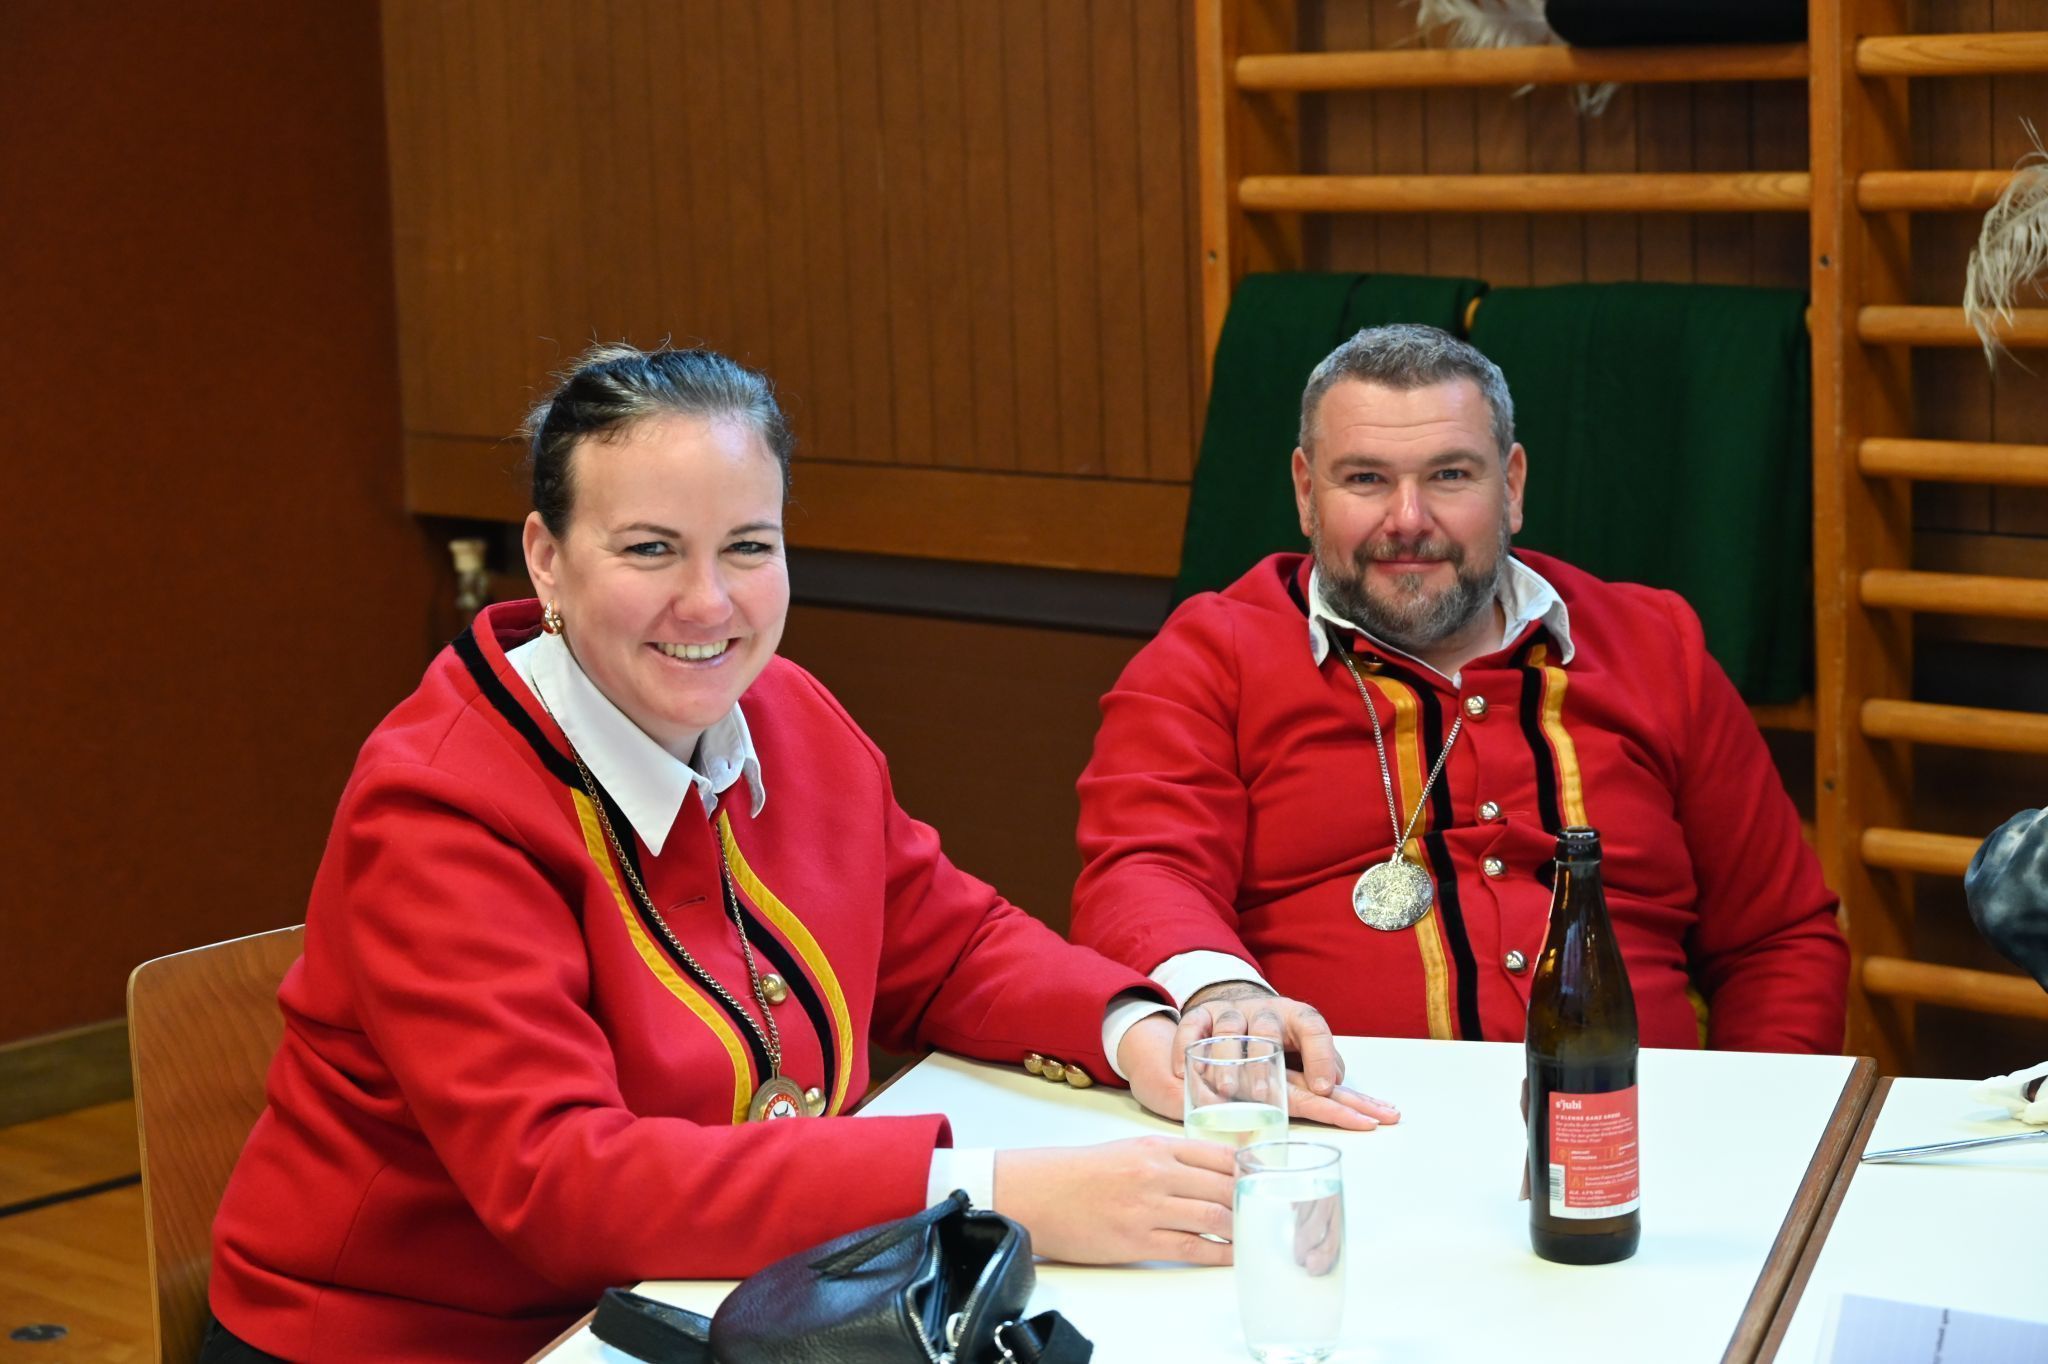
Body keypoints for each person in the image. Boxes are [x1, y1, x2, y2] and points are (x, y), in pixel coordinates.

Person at [202, 344, 1387, 1364]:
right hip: (442, 1335)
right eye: (650, 548)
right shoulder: (436, 805)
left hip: (714, 1297)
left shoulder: (790, 712)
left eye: (749, 546)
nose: (709, 601)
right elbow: (567, 1181)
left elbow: (949, 941)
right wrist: (997, 1190)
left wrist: (1144, 1033)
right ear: (547, 559)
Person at [1071, 324, 1848, 1053]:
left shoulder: (1656, 647)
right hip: (1338, 1136)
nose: (1408, 520)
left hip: (1634, 1140)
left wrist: (1756, 1132)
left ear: (1510, 485)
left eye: (1449, 475)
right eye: (1366, 479)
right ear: (1307, 493)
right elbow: (1142, 873)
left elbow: (1778, 940)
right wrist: (1223, 996)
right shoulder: (1209, 657)